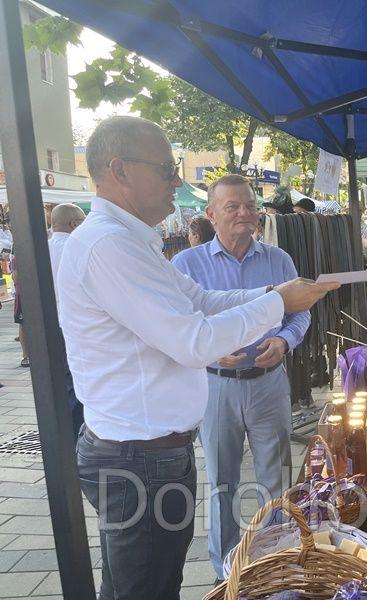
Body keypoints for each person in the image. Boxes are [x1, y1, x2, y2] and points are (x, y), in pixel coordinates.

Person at [57, 115, 338, 600]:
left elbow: (202, 301)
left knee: (148, 582)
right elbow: (193, 339)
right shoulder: (108, 245)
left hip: (153, 452)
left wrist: (273, 294)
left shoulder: (132, 241)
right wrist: (277, 301)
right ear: (119, 170)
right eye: (166, 169)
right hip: (136, 456)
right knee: (143, 588)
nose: (176, 180)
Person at [172, 174, 310, 581]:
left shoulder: (279, 260)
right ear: (211, 214)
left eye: (250, 205)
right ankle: (224, 569)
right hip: (215, 386)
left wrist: (284, 341)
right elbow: (178, 325)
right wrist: (211, 349)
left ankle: (274, 561)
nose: (244, 213)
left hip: (269, 382)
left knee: (276, 477)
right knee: (221, 481)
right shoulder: (186, 265)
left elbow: (300, 314)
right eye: (232, 206)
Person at [48, 203, 86, 440]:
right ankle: (76, 434)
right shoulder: (76, 248)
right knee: (76, 383)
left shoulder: (41, 247)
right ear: (74, 224)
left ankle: (62, 434)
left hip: (47, 326)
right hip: (72, 326)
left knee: (58, 382)